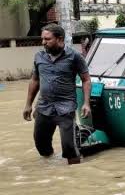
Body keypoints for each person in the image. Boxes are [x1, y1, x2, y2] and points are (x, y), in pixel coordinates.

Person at [23, 24, 92, 165]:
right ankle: (50, 170)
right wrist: (28, 104)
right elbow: (35, 80)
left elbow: (86, 80)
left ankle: (75, 176)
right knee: (41, 145)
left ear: (59, 39)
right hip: (44, 107)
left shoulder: (74, 57)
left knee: (69, 147)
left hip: (65, 109)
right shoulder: (39, 57)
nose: (43, 42)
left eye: (47, 39)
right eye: (42, 39)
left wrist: (86, 103)